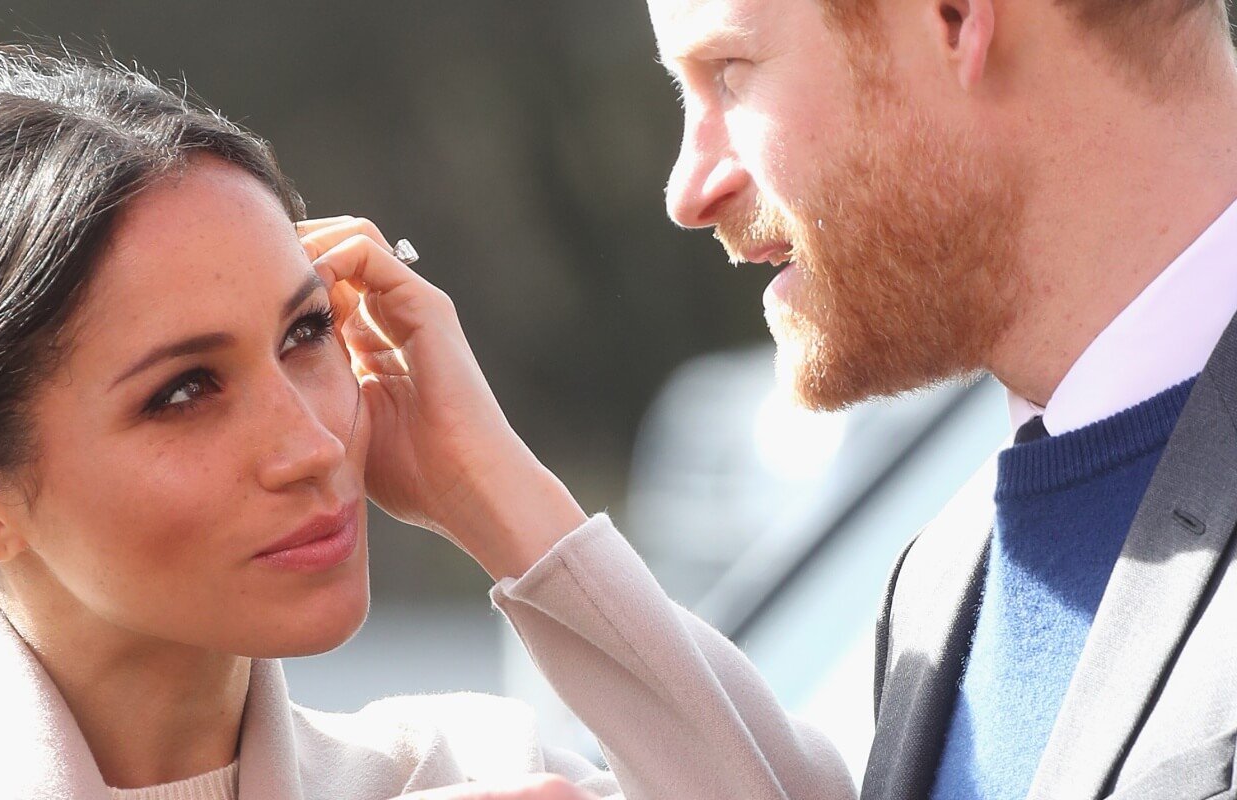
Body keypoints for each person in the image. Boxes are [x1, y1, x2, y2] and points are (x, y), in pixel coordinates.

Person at [0, 44, 852, 800]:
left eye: (304, 336)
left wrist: (491, 485)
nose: (308, 443)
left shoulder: (472, 771)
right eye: (182, 391)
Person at [332, 0, 1237, 794]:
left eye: (729, 72)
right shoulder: (944, 576)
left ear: (956, 18)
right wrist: (488, 492)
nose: (690, 191)